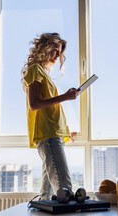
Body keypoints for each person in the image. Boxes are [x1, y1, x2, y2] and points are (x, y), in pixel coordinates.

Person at [22, 33, 79, 200]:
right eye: (54, 50)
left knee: (47, 195)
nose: (57, 55)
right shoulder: (35, 70)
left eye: (59, 52)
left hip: (54, 135)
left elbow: (51, 111)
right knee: (65, 191)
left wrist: (66, 134)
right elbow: (35, 104)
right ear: (44, 49)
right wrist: (65, 97)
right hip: (49, 136)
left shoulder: (44, 74)